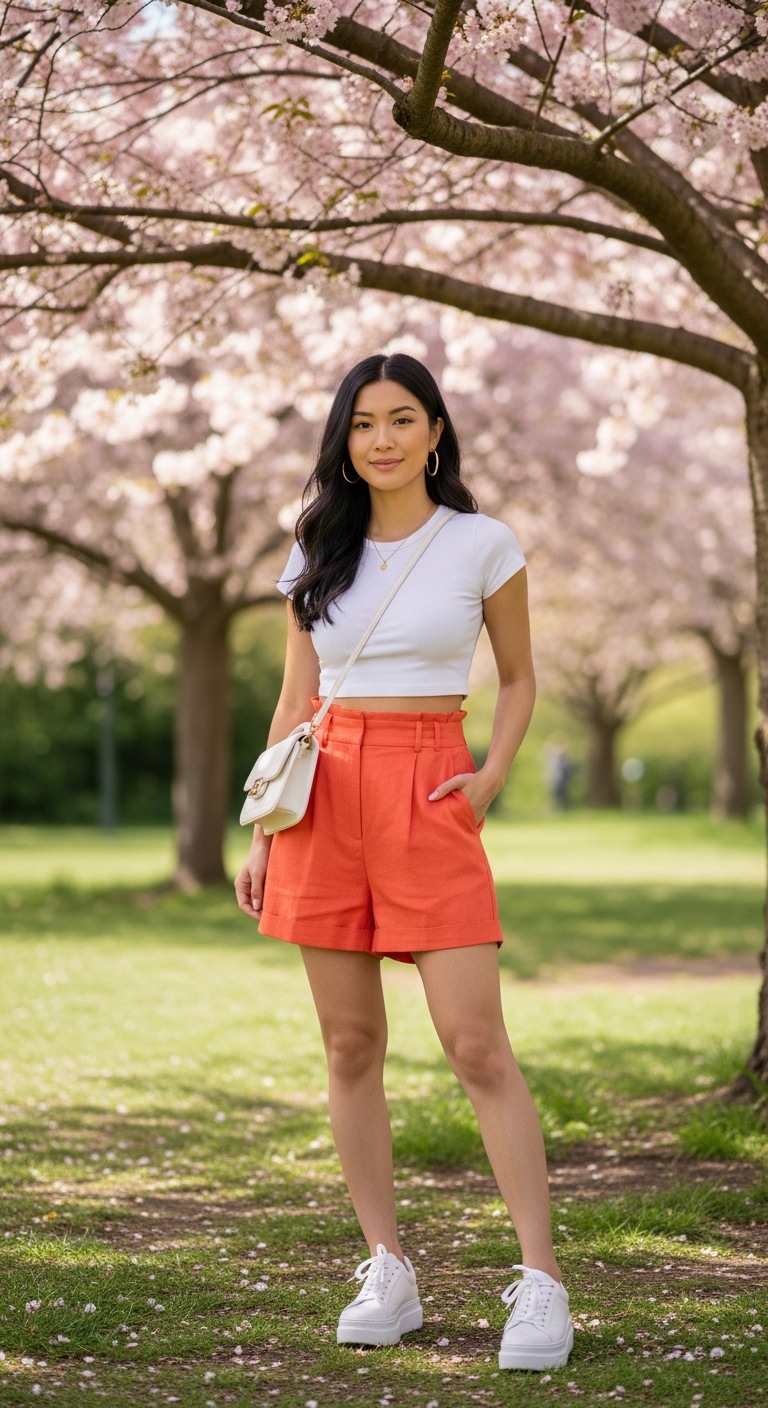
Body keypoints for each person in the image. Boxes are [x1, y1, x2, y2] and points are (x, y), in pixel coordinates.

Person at [235, 353, 573, 1372]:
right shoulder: (316, 545)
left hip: (430, 783)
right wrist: (261, 830)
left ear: (435, 432)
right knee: (349, 1045)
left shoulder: (482, 542)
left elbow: (519, 677)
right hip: (324, 792)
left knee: (476, 1044)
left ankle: (543, 1279)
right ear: (345, 440)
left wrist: (492, 775)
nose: (380, 439)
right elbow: (296, 702)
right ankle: (386, 1266)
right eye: (362, 423)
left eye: (400, 419)